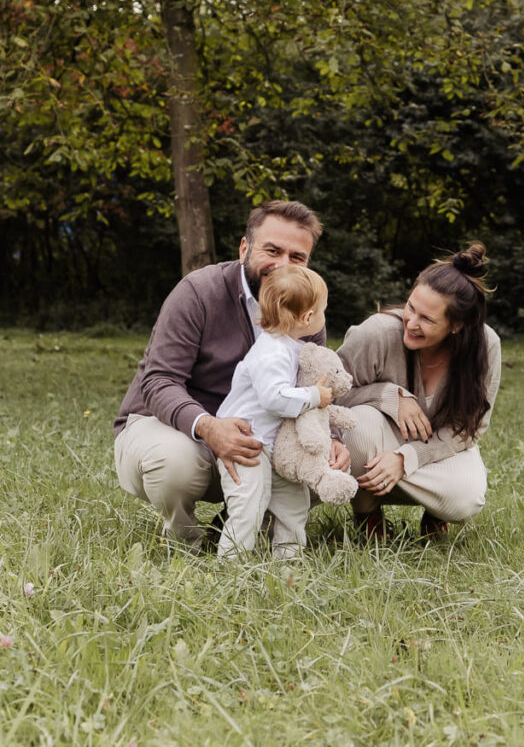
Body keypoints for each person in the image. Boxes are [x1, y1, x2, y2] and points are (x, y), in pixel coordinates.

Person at [113, 199, 350, 549]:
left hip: (262, 436)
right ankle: (185, 544)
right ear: (245, 248)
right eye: (272, 250)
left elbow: (311, 383)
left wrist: (333, 438)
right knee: (173, 464)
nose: (283, 265)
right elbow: (159, 382)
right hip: (172, 425)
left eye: (297, 257)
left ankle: (239, 529)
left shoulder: (305, 306)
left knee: (323, 461)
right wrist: (209, 427)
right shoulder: (198, 291)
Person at [337, 242, 501, 538]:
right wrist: (388, 396)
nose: (411, 323)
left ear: (456, 326)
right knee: (357, 426)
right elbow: (329, 394)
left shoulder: (486, 347)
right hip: (377, 443)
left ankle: (435, 514)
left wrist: (406, 458)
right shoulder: (377, 333)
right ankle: (367, 515)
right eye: (411, 308)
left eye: (427, 319)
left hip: (435, 449)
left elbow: (469, 429)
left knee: (467, 498)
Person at [215, 265, 332, 560]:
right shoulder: (272, 352)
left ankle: (288, 560)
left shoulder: (290, 347)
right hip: (246, 444)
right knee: (248, 505)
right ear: (306, 318)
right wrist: (314, 396)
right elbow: (273, 398)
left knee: (294, 502)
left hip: (272, 447)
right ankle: (230, 564)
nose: (323, 317)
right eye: (322, 311)